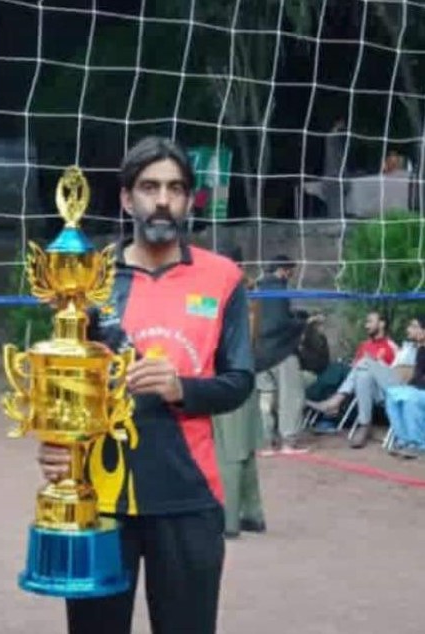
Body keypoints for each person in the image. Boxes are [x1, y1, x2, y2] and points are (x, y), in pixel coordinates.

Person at [38, 137, 255, 634]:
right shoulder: (87, 278)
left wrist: (182, 388)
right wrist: (56, 446)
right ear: (126, 198)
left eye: (175, 188)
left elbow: (239, 381)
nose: (162, 199)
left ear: (187, 200)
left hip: (189, 498)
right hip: (100, 501)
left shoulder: (223, 278)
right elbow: (65, 381)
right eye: (149, 187)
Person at [212, 247, 266, 539]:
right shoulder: (251, 293)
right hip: (245, 374)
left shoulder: (229, 292)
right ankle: (251, 513)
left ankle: (228, 520)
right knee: (243, 448)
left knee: (230, 451)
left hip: (228, 376)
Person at [307, 312, 418, 449]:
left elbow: (398, 376)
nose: (366, 325)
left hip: (392, 390)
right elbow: (356, 365)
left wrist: (376, 363)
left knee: (358, 364)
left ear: (382, 324)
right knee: (362, 374)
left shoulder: (394, 348)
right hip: (362, 384)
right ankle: (363, 424)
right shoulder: (365, 345)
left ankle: (329, 401)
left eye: (370, 321)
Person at [255, 255, 309, 454]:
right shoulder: (279, 290)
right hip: (281, 352)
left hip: (259, 355)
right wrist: (302, 321)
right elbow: (278, 323)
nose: (290, 276)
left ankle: (267, 443)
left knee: (265, 400)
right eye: (290, 272)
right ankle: (289, 442)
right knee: (291, 397)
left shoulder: (256, 288)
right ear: (283, 270)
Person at [386, 315, 425, 458]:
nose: (410, 329)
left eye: (414, 326)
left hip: (420, 392)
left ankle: (419, 444)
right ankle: (403, 439)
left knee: (411, 398)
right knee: (392, 394)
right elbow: (418, 378)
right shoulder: (420, 350)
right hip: (419, 390)